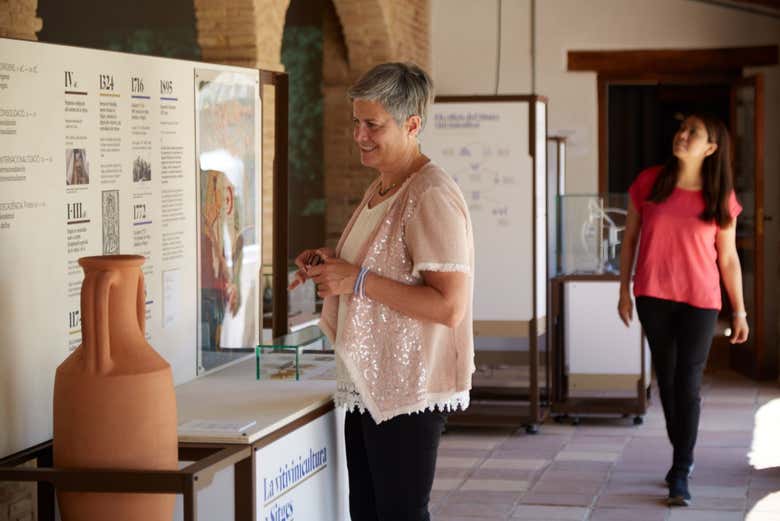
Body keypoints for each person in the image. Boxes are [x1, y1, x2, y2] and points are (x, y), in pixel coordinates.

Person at [289, 62, 475, 521]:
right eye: (356, 122)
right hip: (370, 385)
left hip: (407, 389)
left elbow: (450, 306)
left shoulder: (430, 192)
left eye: (373, 124)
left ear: (412, 125)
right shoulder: (381, 188)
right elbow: (379, 268)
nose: (359, 135)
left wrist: (354, 280)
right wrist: (332, 264)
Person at [618, 113, 749, 506]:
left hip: (700, 301)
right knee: (668, 381)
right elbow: (629, 241)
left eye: (694, 133)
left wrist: (739, 311)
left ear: (710, 148)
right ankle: (683, 455)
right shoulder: (648, 182)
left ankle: (680, 469)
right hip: (653, 296)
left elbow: (728, 258)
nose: (683, 135)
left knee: (687, 384)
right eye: (682, 129)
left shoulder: (719, 197)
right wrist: (623, 290)